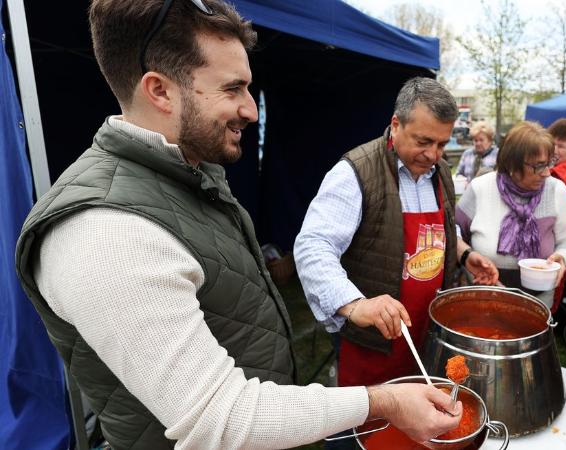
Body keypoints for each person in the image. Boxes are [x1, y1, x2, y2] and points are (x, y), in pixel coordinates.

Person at [14, 2, 461, 448]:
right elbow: (219, 417)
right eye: (234, 89)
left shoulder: (195, 175)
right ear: (160, 91)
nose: (251, 110)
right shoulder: (103, 229)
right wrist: (381, 402)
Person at [294, 77, 498, 392]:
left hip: (426, 329)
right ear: (396, 124)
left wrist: (464, 254)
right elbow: (313, 247)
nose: (433, 154)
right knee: (363, 428)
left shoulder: (441, 171)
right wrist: (355, 305)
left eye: (442, 144)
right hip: (373, 340)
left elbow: (444, 228)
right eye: (423, 141)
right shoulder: (356, 172)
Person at [455, 121, 566, 310]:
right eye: (538, 166)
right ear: (512, 163)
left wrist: (561, 256)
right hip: (484, 295)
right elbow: (452, 232)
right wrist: (468, 254)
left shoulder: (556, 191)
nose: (546, 173)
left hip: (538, 300)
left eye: (549, 163)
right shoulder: (480, 188)